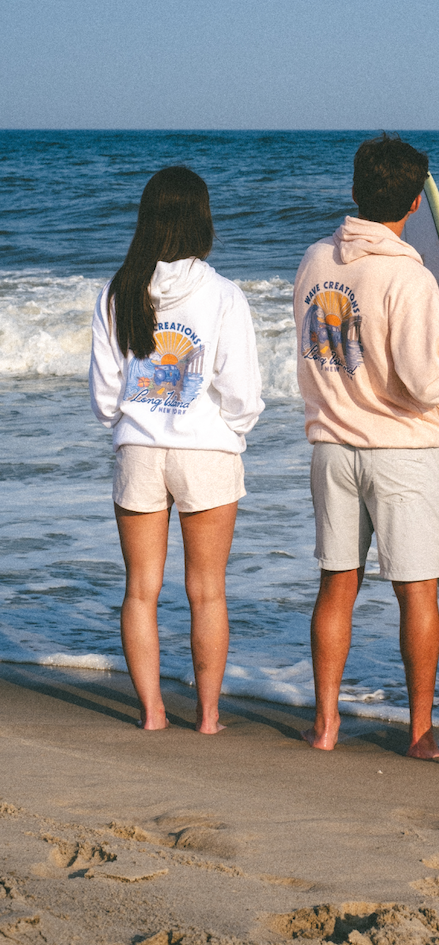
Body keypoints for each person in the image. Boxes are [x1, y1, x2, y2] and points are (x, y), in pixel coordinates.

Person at [294, 134, 439, 760]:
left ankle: (326, 725)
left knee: (337, 585)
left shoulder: (313, 261)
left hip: (331, 447)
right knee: (416, 590)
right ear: (415, 203)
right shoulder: (407, 276)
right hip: (401, 455)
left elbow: (314, 355)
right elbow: (426, 380)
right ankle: (418, 734)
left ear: (356, 191)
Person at [89, 166, 264, 733]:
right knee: (206, 591)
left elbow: (105, 396)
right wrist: (231, 434)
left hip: (139, 449)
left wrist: (139, 421)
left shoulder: (119, 291)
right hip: (206, 451)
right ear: (202, 221)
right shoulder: (222, 295)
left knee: (140, 590)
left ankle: (153, 714)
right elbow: (241, 392)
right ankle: (209, 718)